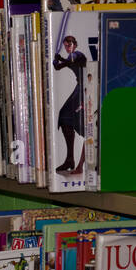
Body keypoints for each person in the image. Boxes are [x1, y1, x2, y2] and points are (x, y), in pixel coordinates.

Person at [53, 35, 87, 176]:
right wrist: (58, 59)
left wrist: (58, 60)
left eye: (69, 45)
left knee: (84, 124)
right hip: (80, 88)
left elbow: (61, 65)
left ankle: (78, 162)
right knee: (64, 116)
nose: (68, 48)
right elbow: (62, 64)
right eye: (66, 46)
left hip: (84, 89)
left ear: (75, 44)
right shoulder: (72, 56)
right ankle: (70, 159)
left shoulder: (77, 54)